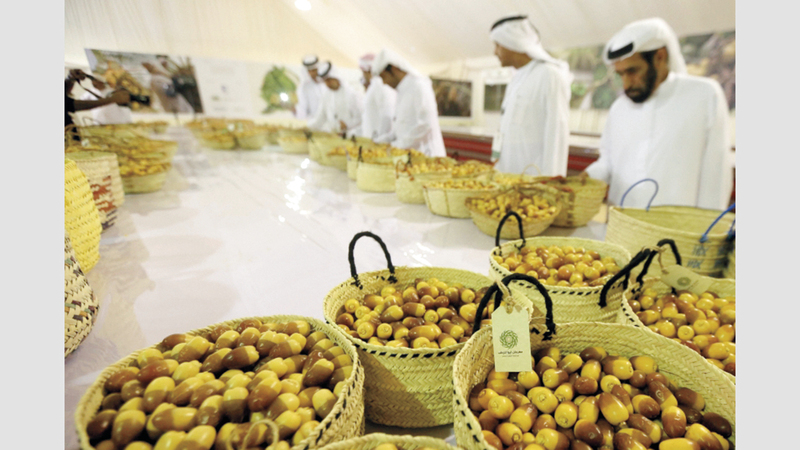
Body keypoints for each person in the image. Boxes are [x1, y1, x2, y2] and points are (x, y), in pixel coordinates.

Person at [584, 18, 734, 210]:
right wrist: (587, 177)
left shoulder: (703, 96)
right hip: (621, 221)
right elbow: (608, 162)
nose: (626, 83)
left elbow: (716, 173)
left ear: (660, 56)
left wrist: (709, 226)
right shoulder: (619, 108)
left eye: (633, 71)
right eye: (620, 74)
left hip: (678, 225)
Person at [490, 15, 573, 176]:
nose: (495, 52)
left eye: (498, 45)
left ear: (512, 42)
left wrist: (551, 183)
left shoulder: (549, 75)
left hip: (535, 181)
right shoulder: (516, 79)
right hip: (508, 178)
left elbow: (556, 134)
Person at [371, 48, 446, 157]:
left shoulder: (419, 86)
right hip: (409, 156)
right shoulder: (402, 91)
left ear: (394, 69)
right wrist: (381, 142)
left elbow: (425, 126)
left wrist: (396, 145)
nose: (384, 83)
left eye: (384, 77)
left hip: (428, 156)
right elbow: (400, 129)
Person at [65, 69, 130, 136]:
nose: (93, 83)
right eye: (92, 80)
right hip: (99, 125)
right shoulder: (89, 93)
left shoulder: (112, 92)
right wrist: (110, 100)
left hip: (116, 126)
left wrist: (70, 78)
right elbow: (73, 104)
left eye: (95, 80)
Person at [307, 62, 364, 136]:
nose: (327, 83)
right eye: (325, 81)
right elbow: (320, 119)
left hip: (352, 137)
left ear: (336, 77)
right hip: (334, 137)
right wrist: (307, 128)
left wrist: (347, 124)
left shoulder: (352, 94)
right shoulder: (326, 96)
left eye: (329, 80)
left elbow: (360, 118)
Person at [356, 53, 396, 141]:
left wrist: (380, 139)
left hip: (377, 139)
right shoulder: (374, 85)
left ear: (367, 71)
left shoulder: (379, 84)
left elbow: (387, 115)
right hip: (372, 138)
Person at [295, 54, 324, 120]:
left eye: (314, 70)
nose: (312, 73)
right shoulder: (304, 87)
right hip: (313, 120)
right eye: (310, 71)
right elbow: (303, 107)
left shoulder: (326, 83)